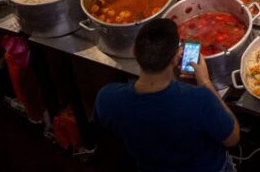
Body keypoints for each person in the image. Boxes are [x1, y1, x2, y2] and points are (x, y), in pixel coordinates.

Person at [94, 19, 240, 172]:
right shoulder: (200, 99)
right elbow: (233, 138)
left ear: (134, 51)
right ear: (177, 57)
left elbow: (105, 132)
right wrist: (205, 82)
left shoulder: (107, 98)